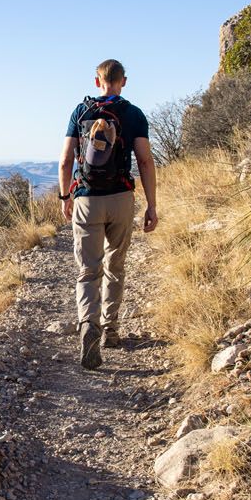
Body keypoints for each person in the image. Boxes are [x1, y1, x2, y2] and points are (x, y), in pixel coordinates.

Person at [58, 59, 158, 369]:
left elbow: (65, 161)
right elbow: (144, 162)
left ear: (97, 80)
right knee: (116, 263)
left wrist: (65, 197)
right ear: (123, 82)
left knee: (89, 270)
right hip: (121, 198)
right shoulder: (133, 114)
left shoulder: (81, 112)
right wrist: (151, 205)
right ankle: (110, 330)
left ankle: (89, 324)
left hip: (87, 198)